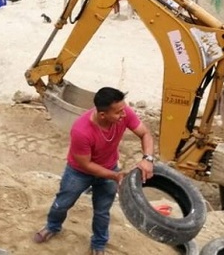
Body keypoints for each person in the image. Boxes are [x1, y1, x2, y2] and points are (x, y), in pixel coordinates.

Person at [34, 87, 154, 255]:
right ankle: (52, 226)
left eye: (123, 109)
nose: (124, 115)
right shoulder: (81, 130)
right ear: (103, 115)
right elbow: (85, 165)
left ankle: (98, 244)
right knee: (62, 204)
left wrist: (148, 159)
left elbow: (145, 133)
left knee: (102, 211)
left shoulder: (123, 112)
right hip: (78, 173)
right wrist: (115, 176)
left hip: (110, 167)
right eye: (119, 112)